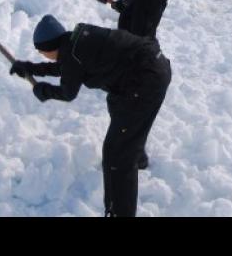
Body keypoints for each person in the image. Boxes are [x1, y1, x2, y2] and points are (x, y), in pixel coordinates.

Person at [10, 14, 172, 217]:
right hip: (151, 68)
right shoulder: (76, 40)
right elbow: (67, 67)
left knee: (117, 154)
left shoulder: (72, 54)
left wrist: (43, 91)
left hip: (145, 81)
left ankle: (119, 212)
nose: (43, 56)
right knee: (118, 110)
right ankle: (137, 155)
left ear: (50, 47)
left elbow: (68, 92)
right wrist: (29, 68)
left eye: (42, 52)